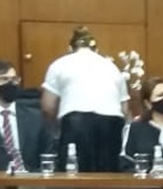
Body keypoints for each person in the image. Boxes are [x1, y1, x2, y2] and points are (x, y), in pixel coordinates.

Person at [41, 26, 129, 172]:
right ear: (96, 50)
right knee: (109, 176)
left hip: (76, 123)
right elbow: (125, 110)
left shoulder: (60, 64)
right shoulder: (112, 67)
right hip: (111, 124)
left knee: (74, 174)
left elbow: (48, 106)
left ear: (70, 48)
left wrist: (56, 131)